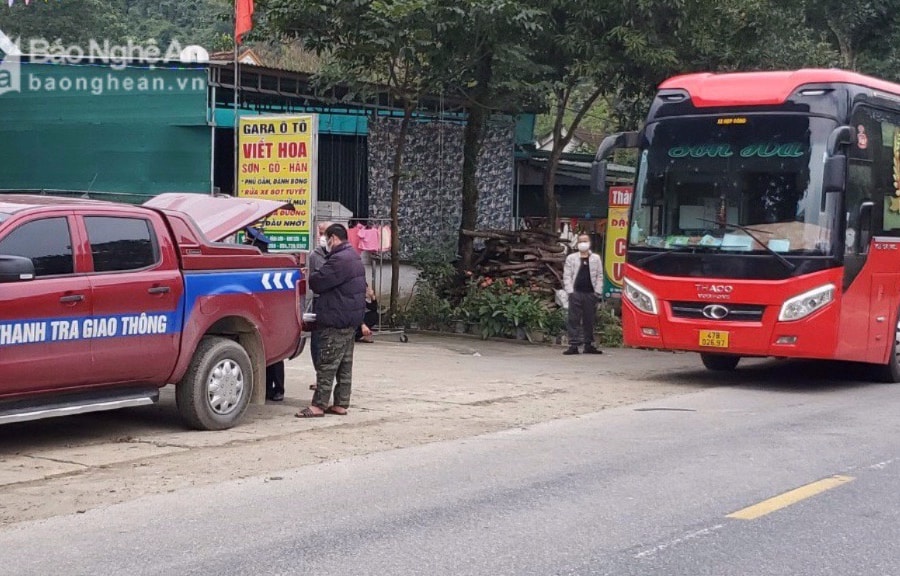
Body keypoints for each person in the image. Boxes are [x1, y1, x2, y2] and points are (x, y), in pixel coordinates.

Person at [296, 223, 366, 417]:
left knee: (327, 363)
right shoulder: (353, 256)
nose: (324, 242)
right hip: (349, 319)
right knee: (344, 364)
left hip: (335, 317)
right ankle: (342, 403)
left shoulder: (339, 259)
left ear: (333, 238)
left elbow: (318, 283)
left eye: (325, 237)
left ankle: (318, 405)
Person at [244, 227, 287, 400]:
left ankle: (278, 388)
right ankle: (267, 387)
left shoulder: (268, 262)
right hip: (257, 314)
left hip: (272, 315)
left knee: (274, 353)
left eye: (247, 242)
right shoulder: (251, 260)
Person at [562, 233, 603, 355]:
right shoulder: (571, 258)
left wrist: (597, 292)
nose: (583, 243)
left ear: (589, 243)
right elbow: (567, 275)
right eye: (580, 241)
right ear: (577, 243)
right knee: (573, 319)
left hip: (590, 294)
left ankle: (588, 345)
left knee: (589, 320)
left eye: (585, 241)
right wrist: (570, 291)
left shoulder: (595, 258)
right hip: (576, 293)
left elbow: (600, 275)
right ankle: (573, 345)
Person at [306, 221, 333, 390]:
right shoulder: (314, 256)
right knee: (316, 343)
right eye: (320, 232)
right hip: (318, 301)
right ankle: (319, 376)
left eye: (326, 233)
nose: (323, 237)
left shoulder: (341, 255)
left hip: (335, 303)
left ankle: (329, 379)